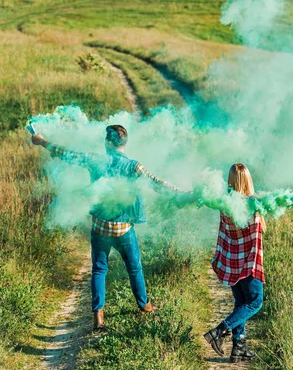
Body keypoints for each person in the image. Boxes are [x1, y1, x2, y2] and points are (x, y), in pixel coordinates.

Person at [31, 125, 182, 330]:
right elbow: (156, 182)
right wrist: (180, 193)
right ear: (125, 143)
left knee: (99, 270)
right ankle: (144, 305)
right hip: (124, 229)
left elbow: (67, 154)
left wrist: (42, 141)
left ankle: (98, 317)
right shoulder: (134, 166)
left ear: (107, 142)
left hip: (100, 227)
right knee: (134, 267)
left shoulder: (95, 159)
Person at [203, 163, 266, 363]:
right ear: (247, 180)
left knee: (241, 303)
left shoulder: (224, 203)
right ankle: (220, 330)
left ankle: (239, 347)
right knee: (255, 301)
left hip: (231, 262)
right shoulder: (252, 203)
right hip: (248, 263)